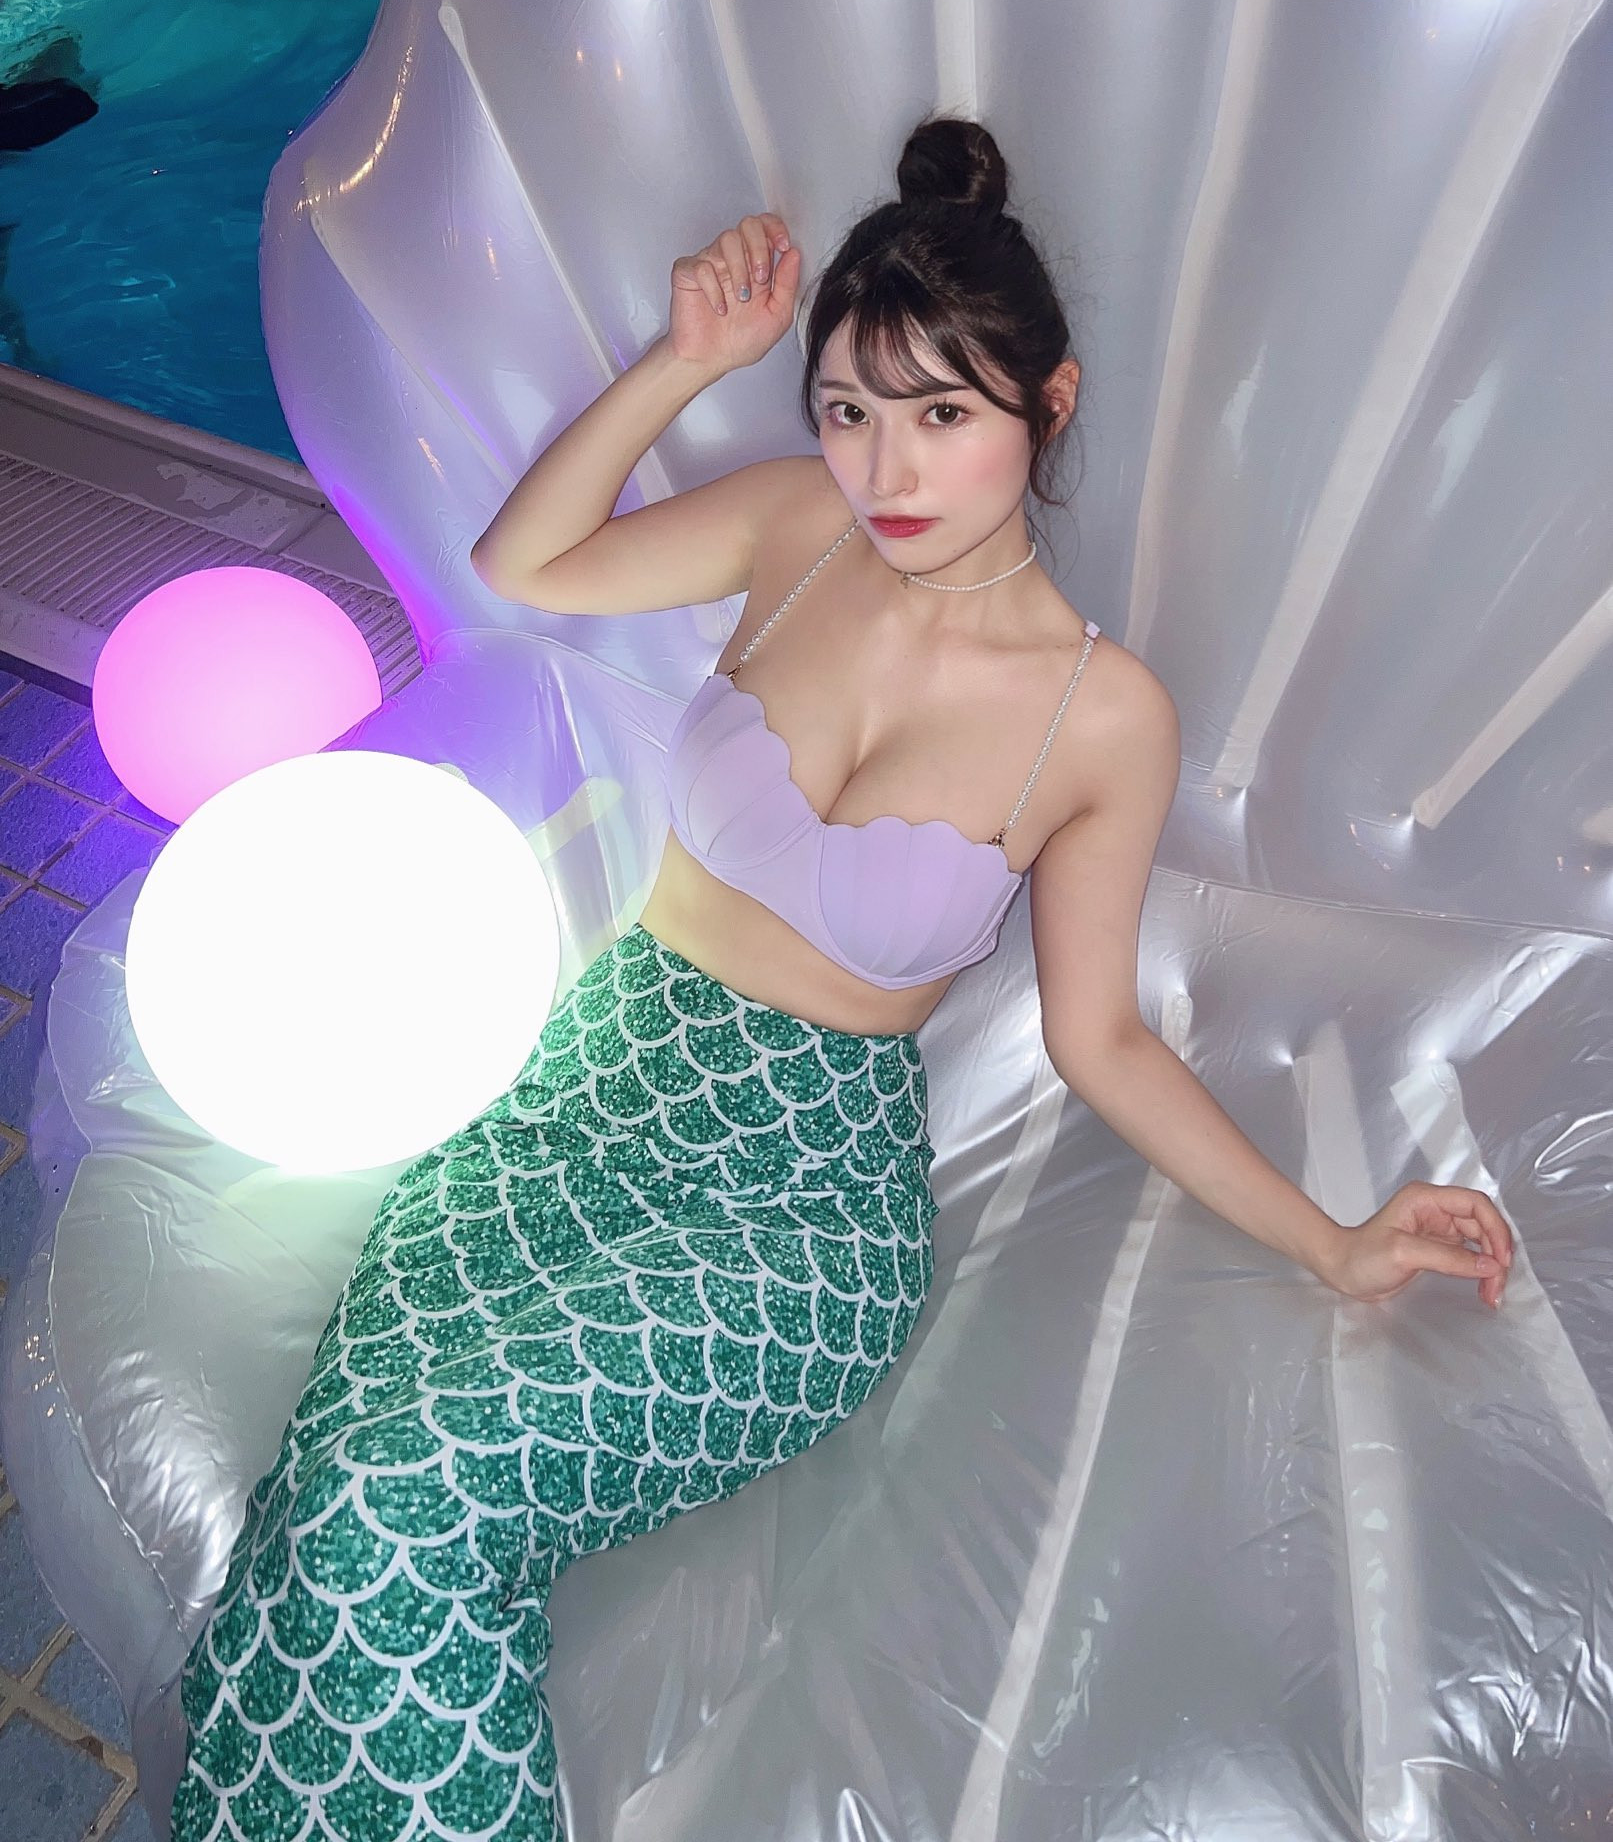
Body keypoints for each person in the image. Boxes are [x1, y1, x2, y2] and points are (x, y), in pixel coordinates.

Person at [170, 115, 1514, 1841]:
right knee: (349, 1467)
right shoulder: (797, 525)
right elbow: (525, 566)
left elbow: (1100, 1039)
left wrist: (1331, 1239)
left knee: (400, 1487)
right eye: (847, 408)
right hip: (583, 1091)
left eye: (941, 414)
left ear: (1048, 404)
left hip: (798, 1209)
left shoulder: (1103, 715)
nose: (888, 466)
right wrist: (684, 360)